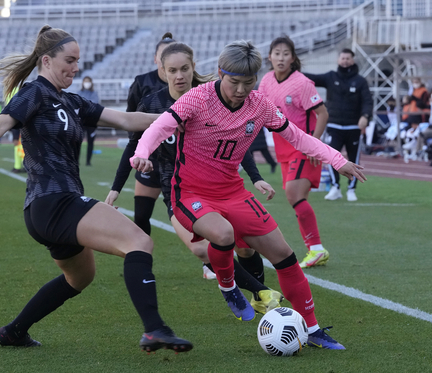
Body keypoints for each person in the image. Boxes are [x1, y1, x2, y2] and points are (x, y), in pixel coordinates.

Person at [0, 25, 192, 354]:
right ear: (47, 61)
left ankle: (13, 332)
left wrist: (178, 117)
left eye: (78, 61)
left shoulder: (72, 101)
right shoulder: (35, 92)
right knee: (139, 241)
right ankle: (155, 329)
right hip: (56, 203)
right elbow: (3, 121)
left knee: (80, 278)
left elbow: (126, 120)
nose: (76, 67)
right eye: (70, 60)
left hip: (45, 210)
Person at [131, 40, 366, 349]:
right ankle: (228, 286)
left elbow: (297, 136)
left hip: (233, 191)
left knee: (284, 255)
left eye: (248, 82)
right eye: (234, 82)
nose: (241, 89)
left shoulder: (261, 104)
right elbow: (159, 127)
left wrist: (339, 160)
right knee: (224, 234)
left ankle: (312, 329)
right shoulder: (197, 98)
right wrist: (142, 153)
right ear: (219, 74)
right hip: (189, 192)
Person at [107, 41, 283, 314]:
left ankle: (258, 293)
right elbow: (135, 143)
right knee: (199, 249)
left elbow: (238, 141)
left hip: (219, 183)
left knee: (244, 246)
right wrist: (116, 187)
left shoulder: (213, 94)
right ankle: (259, 292)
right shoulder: (153, 102)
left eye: (185, 69)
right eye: (172, 70)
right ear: (162, 71)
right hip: (174, 184)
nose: (179, 75)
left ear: (194, 68)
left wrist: (256, 176)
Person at [258, 35, 331, 269]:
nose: (281, 58)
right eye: (276, 53)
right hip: (282, 148)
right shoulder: (266, 81)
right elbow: (258, 110)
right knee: (297, 199)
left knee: (293, 194)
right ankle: (315, 250)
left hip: (303, 146)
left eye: (285, 53)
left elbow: (323, 114)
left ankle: (317, 249)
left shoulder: (302, 83)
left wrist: (314, 143)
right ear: (269, 57)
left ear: (293, 58)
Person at [107, 32, 175, 241]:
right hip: (149, 160)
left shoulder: (190, 86)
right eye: (162, 56)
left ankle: (209, 265)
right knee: (141, 217)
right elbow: (131, 123)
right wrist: (116, 187)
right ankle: (142, 264)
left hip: (179, 164)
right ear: (156, 58)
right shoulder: (142, 83)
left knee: (190, 220)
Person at [304, 48, 372, 202]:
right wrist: (293, 72)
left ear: (353, 60)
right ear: (338, 60)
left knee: (354, 158)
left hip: (353, 126)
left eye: (348, 58)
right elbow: (311, 78)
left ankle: (351, 189)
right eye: (343, 58)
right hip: (334, 125)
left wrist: (366, 116)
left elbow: (368, 101)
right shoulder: (330, 77)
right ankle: (335, 187)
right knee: (332, 157)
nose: (345, 61)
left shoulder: (360, 81)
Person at [78, 76, 100, 166]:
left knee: (90, 141)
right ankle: (76, 160)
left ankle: (88, 161)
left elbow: (95, 105)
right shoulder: (79, 93)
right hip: (81, 121)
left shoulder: (94, 93)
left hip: (91, 121)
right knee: (77, 141)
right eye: (85, 81)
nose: (87, 83)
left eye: (88, 81)